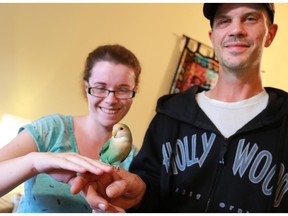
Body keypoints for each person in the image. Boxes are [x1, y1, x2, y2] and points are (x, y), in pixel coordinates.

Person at [70, 3, 288, 213]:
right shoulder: (169, 116)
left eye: (250, 18)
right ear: (212, 37)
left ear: (271, 34)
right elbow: (144, 195)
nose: (236, 29)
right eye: (224, 21)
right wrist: (136, 197)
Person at [0, 44, 141, 213]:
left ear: (134, 92)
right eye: (100, 87)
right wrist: (34, 162)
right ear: (86, 87)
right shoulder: (50, 130)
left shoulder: (135, 158)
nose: (111, 99)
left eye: (123, 90)